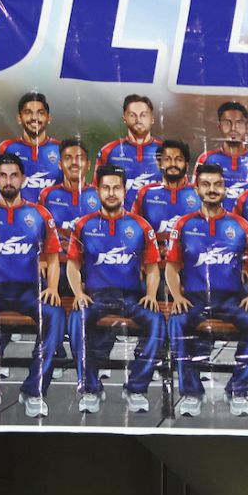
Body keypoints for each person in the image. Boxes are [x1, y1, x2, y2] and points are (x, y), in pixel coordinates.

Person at [0, 153, 65, 419]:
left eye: (14, 175)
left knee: (55, 314)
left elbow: (53, 257)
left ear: (23, 179)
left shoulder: (39, 213)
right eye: (3, 175)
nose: (8, 181)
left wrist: (52, 287)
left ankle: (34, 390)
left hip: (28, 290)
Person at [164, 164, 248, 417]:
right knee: (176, 323)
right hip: (194, 299)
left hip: (231, 299)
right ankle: (191, 393)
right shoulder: (183, 225)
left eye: (217, 184)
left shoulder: (240, 225)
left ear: (224, 188)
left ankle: (238, 390)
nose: (212, 190)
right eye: (206, 185)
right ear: (196, 188)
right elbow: (172, 267)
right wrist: (176, 296)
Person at [67, 164, 165, 415]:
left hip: (131, 297)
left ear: (125, 190)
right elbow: (73, 265)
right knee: (77, 321)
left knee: (157, 322)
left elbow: (153, 267)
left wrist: (151, 295)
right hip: (96, 297)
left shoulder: (141, 225)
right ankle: (90, 388)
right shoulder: (83, 225)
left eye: (117, 188)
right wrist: (78, 293)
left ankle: (136, 388)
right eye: (106, 187)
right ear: (97, 190)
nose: (111, 193)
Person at [0, 92, 62, 203]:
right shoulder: (6, 148)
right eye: (28, 113)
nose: (34, 117)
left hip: (54, 218)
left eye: (40, 113)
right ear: (19, 118)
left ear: (49, 118)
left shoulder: (62, 149)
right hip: (18, 218)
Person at [195, 102, 248, 211]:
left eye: (239, 122)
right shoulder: (206, 158)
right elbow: (196, 195)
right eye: (227, 122)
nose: (233, 128)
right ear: (219, 126)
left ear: (247, 127)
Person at [132, 140, 202, 240]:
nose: (173, 164)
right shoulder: (145, 193)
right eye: (167, 159)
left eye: (178, 159)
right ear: (159, 164)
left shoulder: (198, 193)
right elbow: (135, 231)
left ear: (187, 166)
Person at [97, 94, 162, 192]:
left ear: (152, 119)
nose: (138, 120)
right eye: (132, 115)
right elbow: (95, 190)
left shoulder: (167, 151)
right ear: (124, 119)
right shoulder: (109, 151)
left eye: (143, 115)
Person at [37, 139, 100, 241]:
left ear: (88, 165)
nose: (74, 162)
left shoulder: (99, 194)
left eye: (79, 158)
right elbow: (39, 233)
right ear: (60, 164)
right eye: (68, 158)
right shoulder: (47, 195)